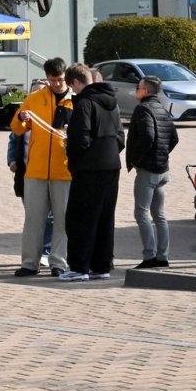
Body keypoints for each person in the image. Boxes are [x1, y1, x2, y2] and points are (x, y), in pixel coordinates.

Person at [61, 63, 124, 282]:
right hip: (111, 166)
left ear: (76, 82)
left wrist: (70, 150)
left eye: (71, 86)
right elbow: (120, 138)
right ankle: (101, 265)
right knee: (105, 218)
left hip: (89, 168)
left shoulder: (85, 103)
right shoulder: (112, 104)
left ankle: (79, 267)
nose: (72, 91)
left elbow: (80, 139)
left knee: (80, 218)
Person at [11, 58, 73, 277]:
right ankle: (29, 262)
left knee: (63, 219)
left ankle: (59, 262)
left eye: (61, 79)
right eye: (53, 80)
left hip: (65, 171)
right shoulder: (35, 98)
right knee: (33, 220)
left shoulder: (75, 100)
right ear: (47, 78)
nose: (57, 83)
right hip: (36, 170)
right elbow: (17, 128)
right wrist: (21, 116)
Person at [126, 76, 179, 269]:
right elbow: (174, 138)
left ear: (146, 91)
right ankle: (163, 256)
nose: (136, 90)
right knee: (159, 215)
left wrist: (137, 160)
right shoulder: (162, 108)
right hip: (163, 170)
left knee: (141, 212)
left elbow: (148, 136)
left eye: (138, 87)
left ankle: (149, 256)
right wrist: (163, 154)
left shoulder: (143, 109)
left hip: (148, 170)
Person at [8, 78, 54, 268]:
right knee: (33, 214)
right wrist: (12, 160)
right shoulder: (25, 116)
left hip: (48, 171)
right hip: (27, 172)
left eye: (40, 93)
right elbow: (13, 138)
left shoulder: (48, 118)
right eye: (33, 93)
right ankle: (34, 253)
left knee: (50, 215)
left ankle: (46, 250)